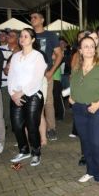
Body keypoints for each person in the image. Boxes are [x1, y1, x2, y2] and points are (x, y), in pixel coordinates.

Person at [69, 36, 99, 189]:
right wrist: (71, 99)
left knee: (96, 143)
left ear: (95, 49)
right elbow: (73, 86)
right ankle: (90, 171)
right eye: (85, 46)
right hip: (79, 109)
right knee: (86, 143)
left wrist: (98, 104)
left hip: (98, 108)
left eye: (91, 46)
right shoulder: (76, 69)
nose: (88, 49)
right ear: (80, 50)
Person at [8, 28, 47, 166]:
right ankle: (23, 150)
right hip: (15, 95)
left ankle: (36, 153)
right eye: (21, 36)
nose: (22, 38)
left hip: (33, 95)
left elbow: (37, 78)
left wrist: (22, 92)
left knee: (32, 126)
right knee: (17, 125)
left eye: (26, 36)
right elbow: (11, 76)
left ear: (33, 39)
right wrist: (12, 93)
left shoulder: (38, 56)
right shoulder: (15, 56)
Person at [30, 11, 63, 141]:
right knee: (32, 102)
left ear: (42, 20)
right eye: (31, 18)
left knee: (48, 101)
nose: (32, 19)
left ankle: (51, 128)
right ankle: (34, 127)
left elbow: (59, 54)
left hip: (45, 74)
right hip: (30, 75)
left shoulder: (50, 35)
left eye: (35, 17)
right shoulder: (28, 34)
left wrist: (52, 71)